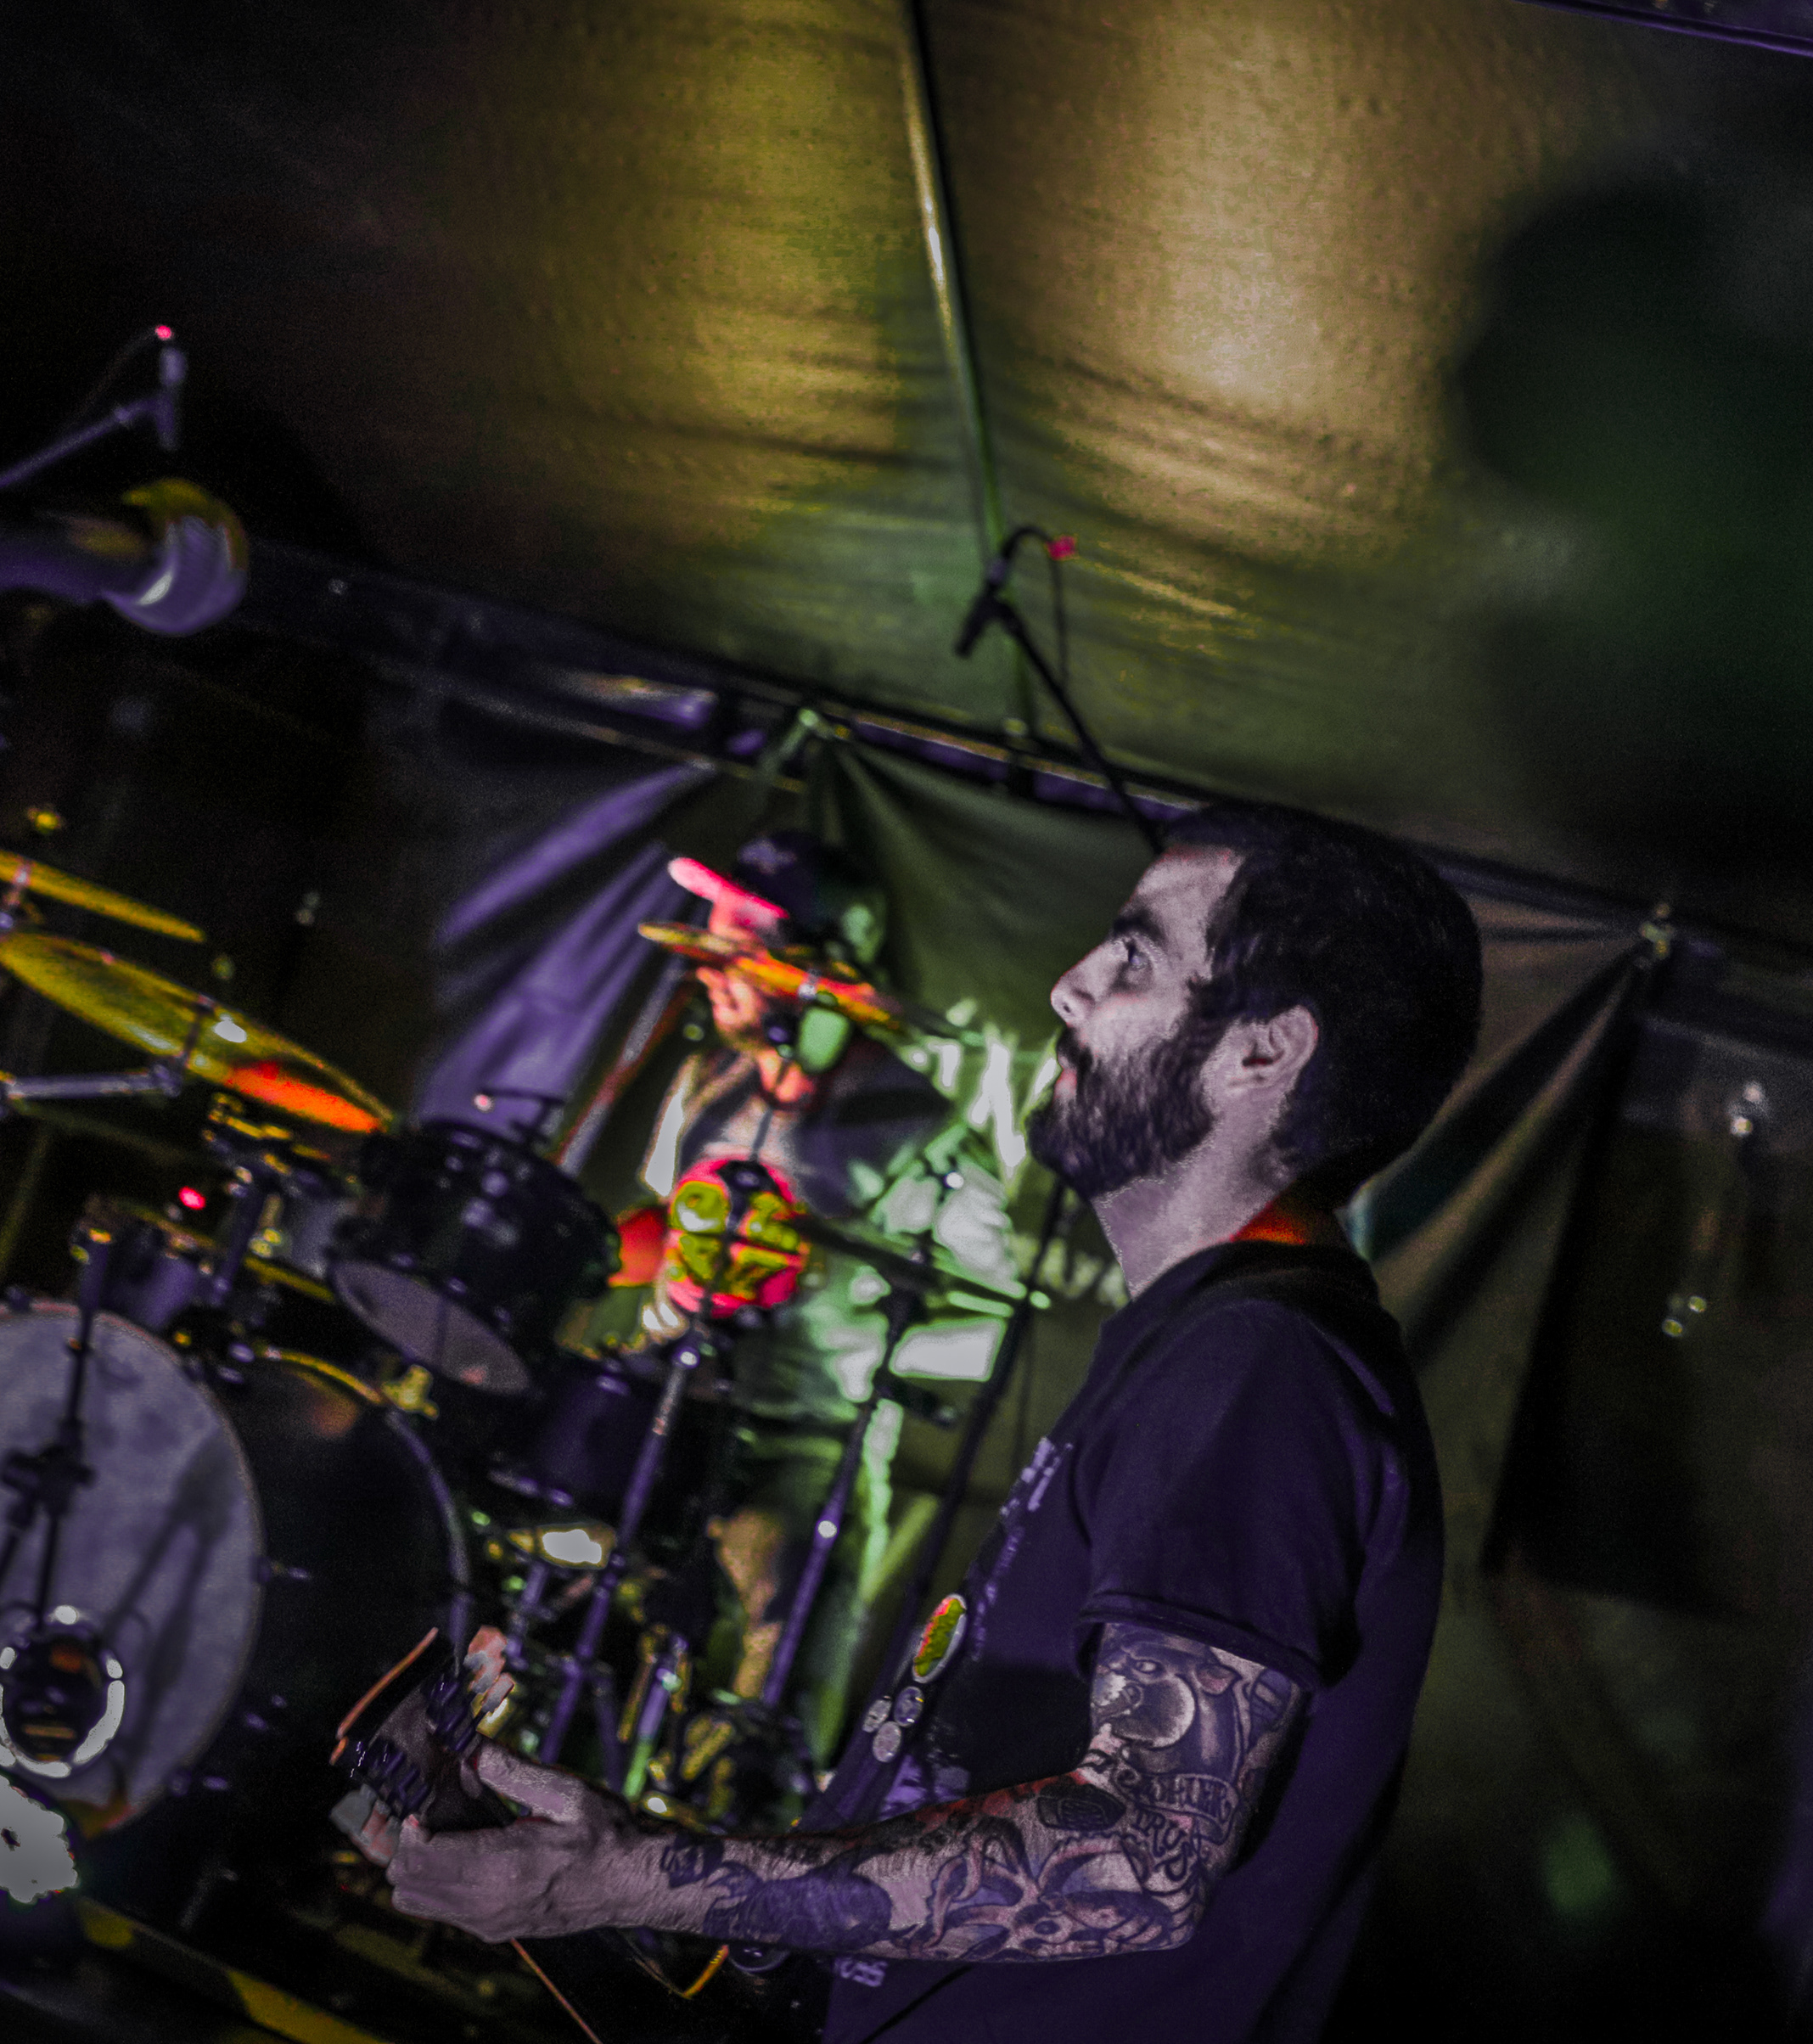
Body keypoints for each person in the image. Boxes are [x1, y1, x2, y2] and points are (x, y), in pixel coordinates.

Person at [386, 802, 1482, 2043]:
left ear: (1262, 1054)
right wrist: (603, 1868)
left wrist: (636, 1875)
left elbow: (1139, 1859)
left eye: (1134, 956)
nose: (1071, 985)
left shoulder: (1263, 1367)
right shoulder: (1203, 1342)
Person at [624, 831, 1013, 1764]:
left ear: (821, 965)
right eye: (706, 940)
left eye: (736, 944)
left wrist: (856, 1325)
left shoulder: (919, 1130)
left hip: (810, 1448)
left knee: (762, 1732)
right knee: (618, 1677)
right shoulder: (707, 1083)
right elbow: (657, 1232)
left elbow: (992, 1329)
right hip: (677, 1423)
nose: (709, 966)